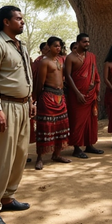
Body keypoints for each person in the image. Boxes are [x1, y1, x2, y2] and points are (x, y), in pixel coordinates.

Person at [0, 6, 34, 224]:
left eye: (22, 18)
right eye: (18, 18)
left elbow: (26, 75)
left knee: (20, 155)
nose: (22, 22)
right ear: (6, 22)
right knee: (2, 158)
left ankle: (8, 197)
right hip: (5, 107)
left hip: (23, 106)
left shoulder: (19, 45)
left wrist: (31, 99)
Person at [32, 36, 71, 170]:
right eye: (55, 46)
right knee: (45, 127)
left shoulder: (60, 60)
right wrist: (35, 98)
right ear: (48, 47)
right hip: (47, 97)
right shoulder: (45, 62)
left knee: (62, 125)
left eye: (59, 46)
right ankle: (40, 158)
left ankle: (57, 154)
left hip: (61, 97)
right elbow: (39, 83)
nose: (58, 48)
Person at [65, 33, 103, 158]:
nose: (87, 44)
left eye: (88, 42)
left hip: (91, 94)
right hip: (76, 95)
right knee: (77, 121)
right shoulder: (70, 57)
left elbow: (95, 74)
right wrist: (77, 93)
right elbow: (68, 76)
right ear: (77, 43)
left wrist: (96, 90)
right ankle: (76, 147)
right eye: (84, 42)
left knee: (91, 121)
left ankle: (89, 145)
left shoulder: (91, 56)